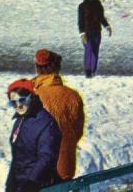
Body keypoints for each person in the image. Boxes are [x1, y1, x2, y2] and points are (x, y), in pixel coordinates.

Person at [32, 50, 85, 182]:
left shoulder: (33, 97)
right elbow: (77, 131)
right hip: (65, 165)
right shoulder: (72, 95)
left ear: (37, 68)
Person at [5, 78, 62, 191]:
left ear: (31, 97)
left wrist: (31, 182)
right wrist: (10, 181)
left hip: (39, 185)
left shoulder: (46, 123)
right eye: (13, 103)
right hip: (20, 184)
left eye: (22, 100)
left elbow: (47, 157)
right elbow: (18, 157)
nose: (18, 106)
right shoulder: (20, 120)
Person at [77, 0, 112, 78]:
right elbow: (80, 21)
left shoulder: (98, 5)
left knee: (95, 51)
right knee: (89, 50)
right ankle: (87, 71)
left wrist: (107, 26)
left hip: (97, 31)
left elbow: (101, 18)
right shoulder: (82, 6)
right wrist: (82, 33)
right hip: (87, 32)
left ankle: (93, 70)